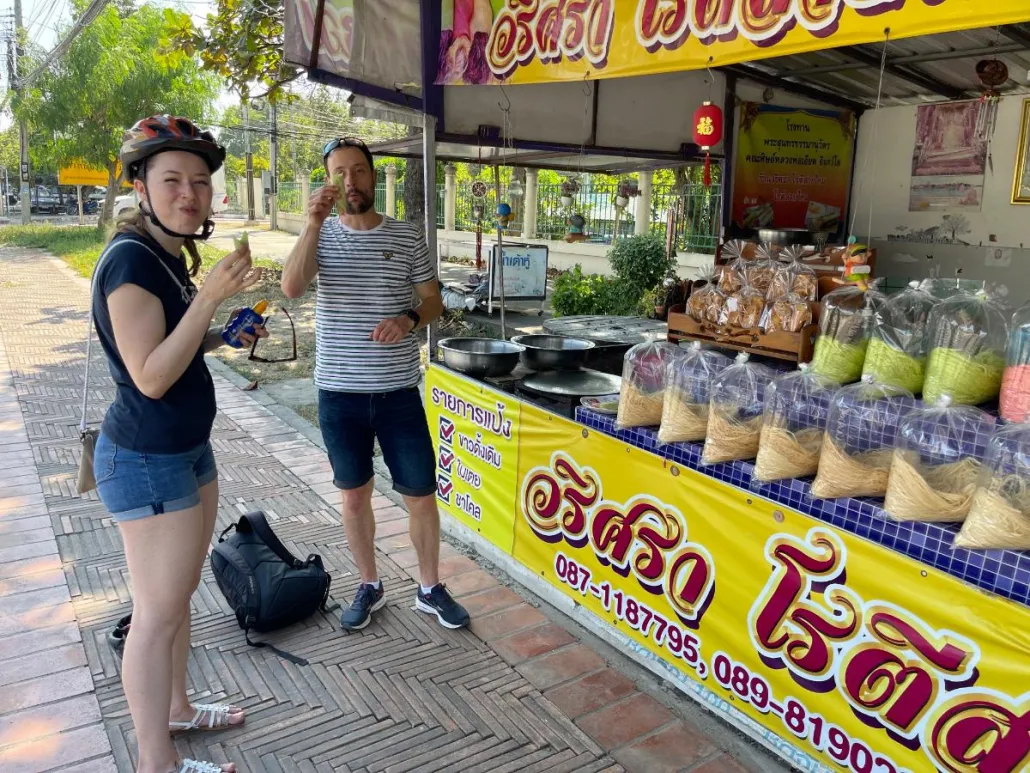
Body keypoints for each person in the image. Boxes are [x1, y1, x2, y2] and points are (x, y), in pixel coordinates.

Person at [91, 115, 266, 773]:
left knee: (175, 598)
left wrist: (228, 329)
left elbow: (180, 344)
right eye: (172, 180)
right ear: (141, 186)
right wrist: (212, 295)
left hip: (186, 450)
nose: (190, 193)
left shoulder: (165, 254)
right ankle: (155, 761)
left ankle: (178, 709)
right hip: (145, 458)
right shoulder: (129, 261)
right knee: (155, 617)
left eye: (200, 181)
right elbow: (153, 375)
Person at [281, 137, 470, 631]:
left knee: (421, 494)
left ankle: (429, 588)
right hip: (339, 395)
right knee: (353, 495)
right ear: (329, 179)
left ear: (373, 175)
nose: (351, 181)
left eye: (359, 171)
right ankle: (369, 583)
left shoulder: (407, 237)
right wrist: (311, 224)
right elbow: (292, 287)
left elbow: (433, 302)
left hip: (397, 394)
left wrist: (409, 319)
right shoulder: (318, 235)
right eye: (340, 172)